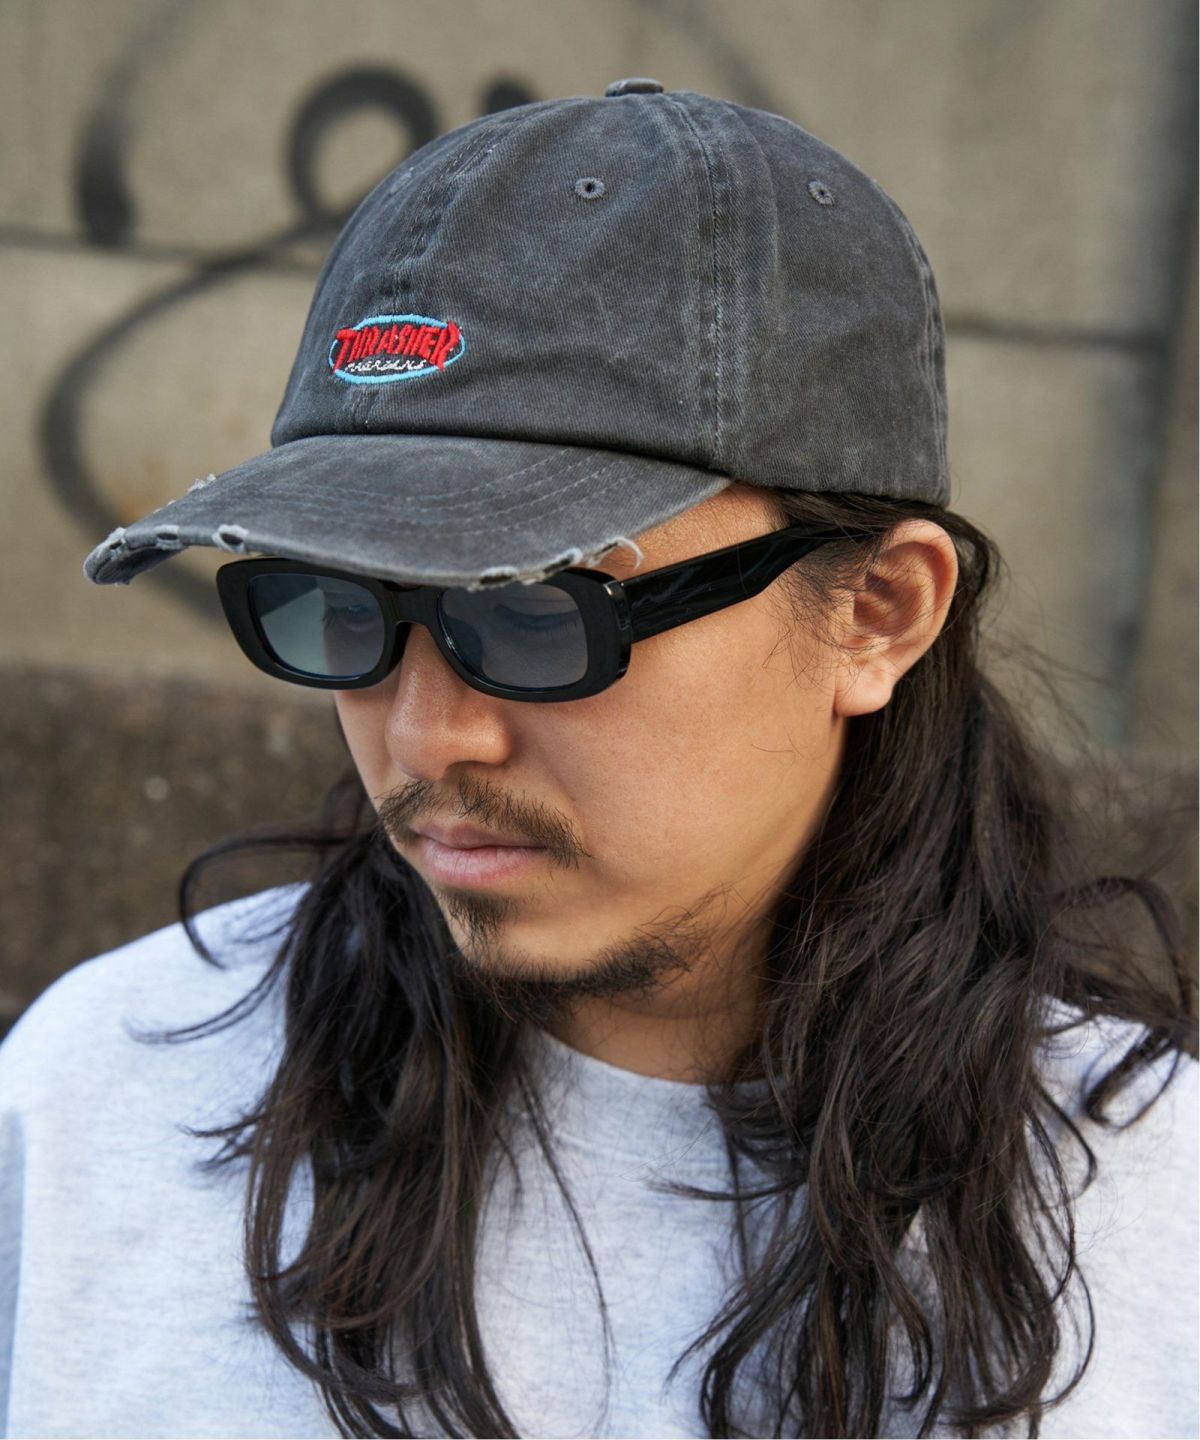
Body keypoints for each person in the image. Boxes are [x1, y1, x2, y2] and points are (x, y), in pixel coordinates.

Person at [1, 78, 1195, 1440]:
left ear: (878, 612)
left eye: (539, 616)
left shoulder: (1156, 1224)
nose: (428, 734)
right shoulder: (101, 1099)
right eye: (340, 605)